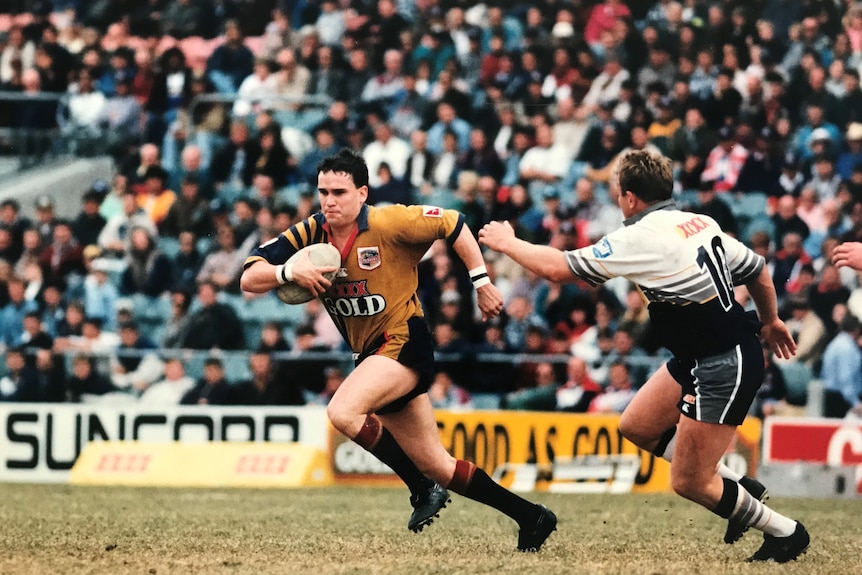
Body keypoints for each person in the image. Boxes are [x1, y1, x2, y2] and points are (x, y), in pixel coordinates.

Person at [479, 149, 809, 562]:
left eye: (618, 194)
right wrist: (772, 320)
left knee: (689, 481)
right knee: (637, 425)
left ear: (630, 198)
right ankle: (739, 486)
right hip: (704, 352)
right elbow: (757, 268)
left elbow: (560, 270)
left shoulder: (639, 236)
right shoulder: (699, 222)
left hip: (722, 360)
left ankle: (786, 532)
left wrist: (508, 243)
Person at [240, 148, 556, 551]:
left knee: (342, 411)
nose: (329, 200)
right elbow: (250, 277)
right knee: (439, 464)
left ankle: (420, 488)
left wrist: (481, 281)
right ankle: (531, 516)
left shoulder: (389, 222)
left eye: (339, 191)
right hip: (371, 354)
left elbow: (454, 223)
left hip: (404, 341)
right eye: (323, 191)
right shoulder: (308, 234)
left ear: (363, 193)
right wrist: (288, 270)